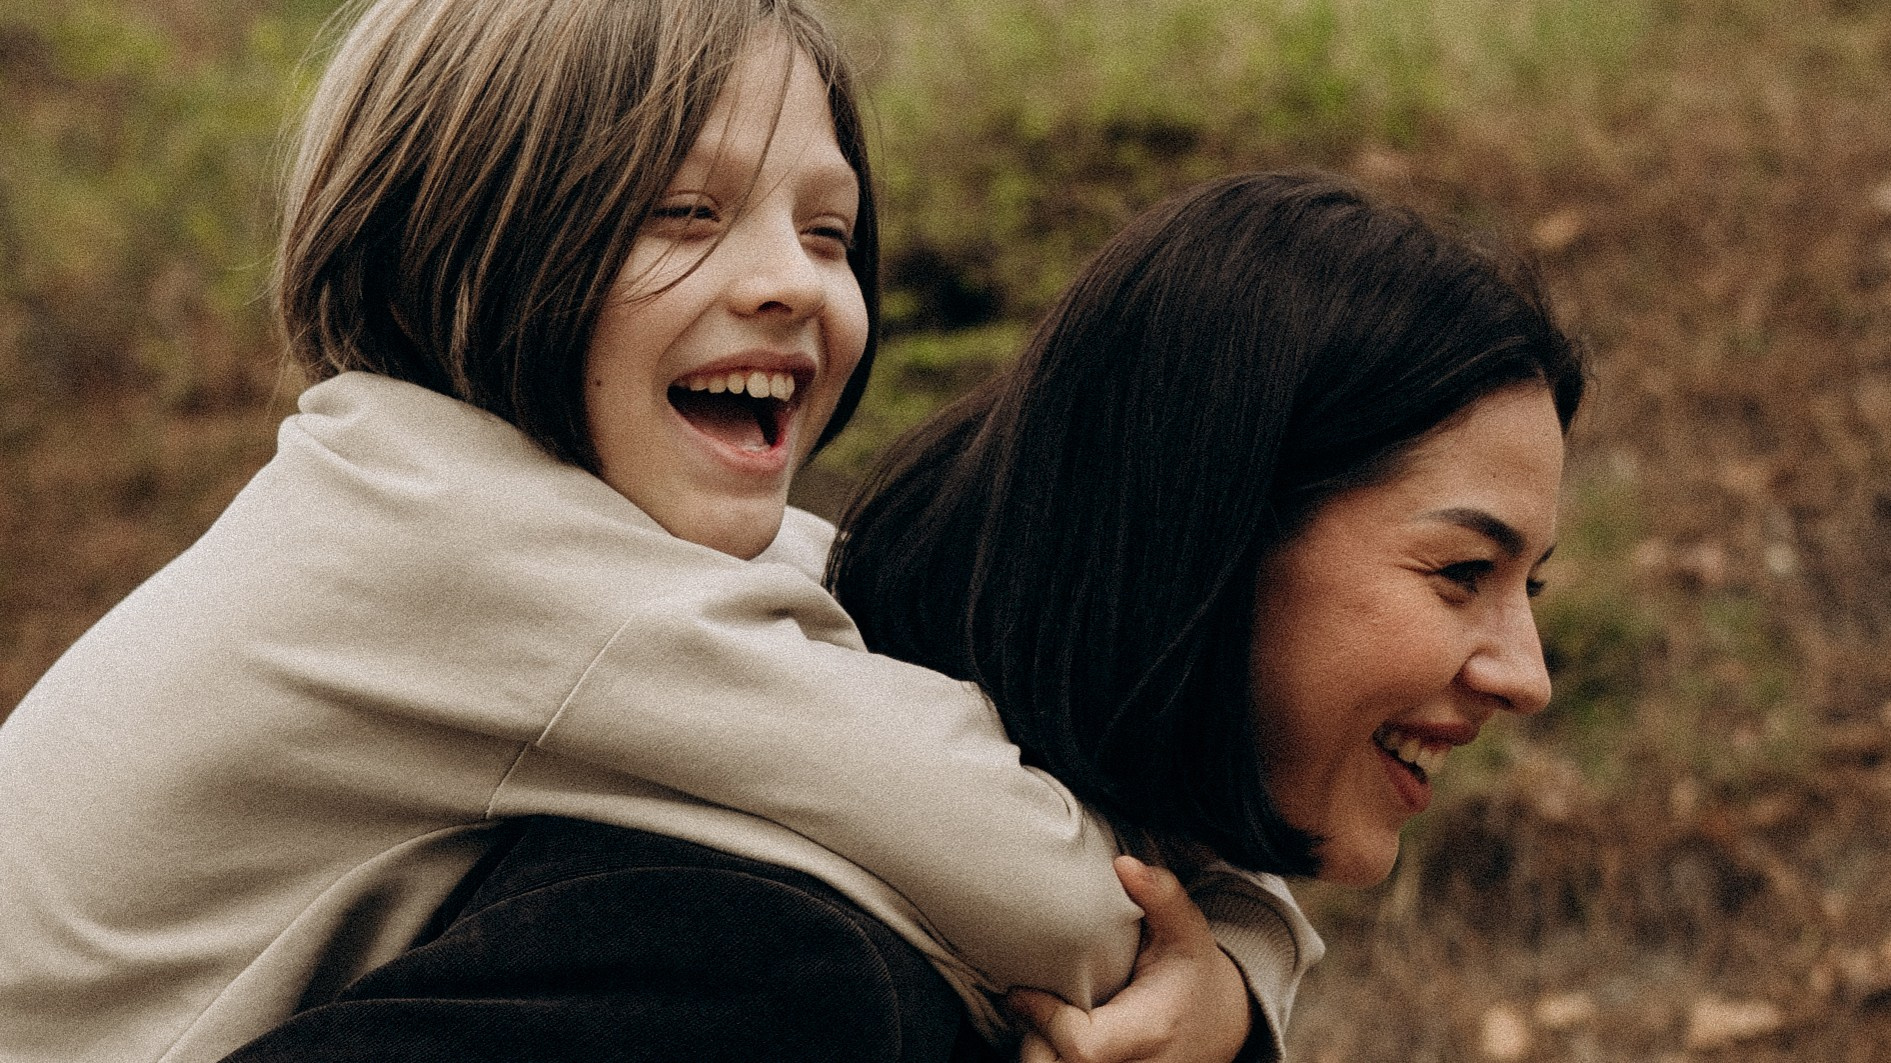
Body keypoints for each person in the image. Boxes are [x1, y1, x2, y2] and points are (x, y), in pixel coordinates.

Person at [0, 1, 1282, 1061]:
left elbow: (1047, 777)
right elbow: (1043, 891)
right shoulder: (456, 548)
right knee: (798, 968)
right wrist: (1219, 977)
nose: (792, 280)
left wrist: (1237, 967)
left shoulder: (596, 541)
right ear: (466, 237)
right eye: (684, 213)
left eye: (828, 231)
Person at [830, 171, 1589, 1049]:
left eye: (1526, 586)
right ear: (1208, 532)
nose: (1527, 679)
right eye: (1462, 570)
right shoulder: (785, 976)